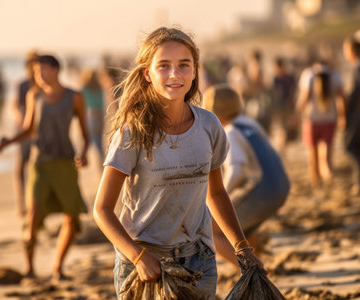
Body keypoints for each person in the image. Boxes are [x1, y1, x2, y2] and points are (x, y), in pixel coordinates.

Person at [93, 27, 266, 300]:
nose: (175, 74)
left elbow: (216, 193)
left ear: (195, 71)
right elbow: (102, 210)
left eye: (184, 65)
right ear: (148, 74)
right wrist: (138, 257)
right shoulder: (133, 131)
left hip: (199, 260)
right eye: (164, 66)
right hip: (143, 262)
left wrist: (242, 248)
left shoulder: (209, 125)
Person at [0, 54, 90, 282]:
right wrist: (9, 141)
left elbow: (85, 135)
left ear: (56, 70)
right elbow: (29, 129)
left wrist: (84, 153)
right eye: (36, 71)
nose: (39, 75)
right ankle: (29, 268)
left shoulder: (74, 97)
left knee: (71, 217)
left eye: (43, 70)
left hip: (65, 164)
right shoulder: (33, 95)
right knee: (33, 216)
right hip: (40, 164)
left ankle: (58, 267)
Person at [202, 85, 289, 269]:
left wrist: (220, 195)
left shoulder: (231, 132)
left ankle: (252, 273)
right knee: (242, 228)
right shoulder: (251, 123)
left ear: (214, 115)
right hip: (281, 186)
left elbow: (237, 171)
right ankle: (256, 259)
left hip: (264, 191)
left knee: (211, 228)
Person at [296, 61, 346, 187]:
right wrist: (343, 117)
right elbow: (341, 98)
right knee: (327, 153)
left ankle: (315, 179)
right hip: (330, 119)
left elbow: (304, 98)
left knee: (313, 153)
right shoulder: (335, 75)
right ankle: (328, 174)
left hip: (312, 119)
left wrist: (296, 115)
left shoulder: (309, 75)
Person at [11, 51, 38, 217]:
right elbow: (14, 105)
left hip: (39, 131)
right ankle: (21, 204)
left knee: (36, 168)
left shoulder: (43, 85)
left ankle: (33, 204)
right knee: (20, 168)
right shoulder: (22, 84)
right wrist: (21, 118)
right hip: (23, 129)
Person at [343, 32, 360, 196]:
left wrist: (344, 116)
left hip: (356, 116)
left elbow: (354, 94)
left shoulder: (357, 69)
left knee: (348, 147)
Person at [271, 57, 297, 154]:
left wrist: (290, 101)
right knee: (281, 127)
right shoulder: (276, 78)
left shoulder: (290, 77)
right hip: (279, 107)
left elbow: (293, 91)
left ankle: (282, 147)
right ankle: (282, 147)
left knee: (286, 128)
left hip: (288, 106)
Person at [80, 68, 105, 159]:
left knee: (86, 140)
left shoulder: (84, 88)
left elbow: (81, 103)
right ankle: (102, 159)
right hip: (99, 114)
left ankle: (83, 158)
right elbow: (102, 103)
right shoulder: (99, 87)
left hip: (90, 115)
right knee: (98, 141)